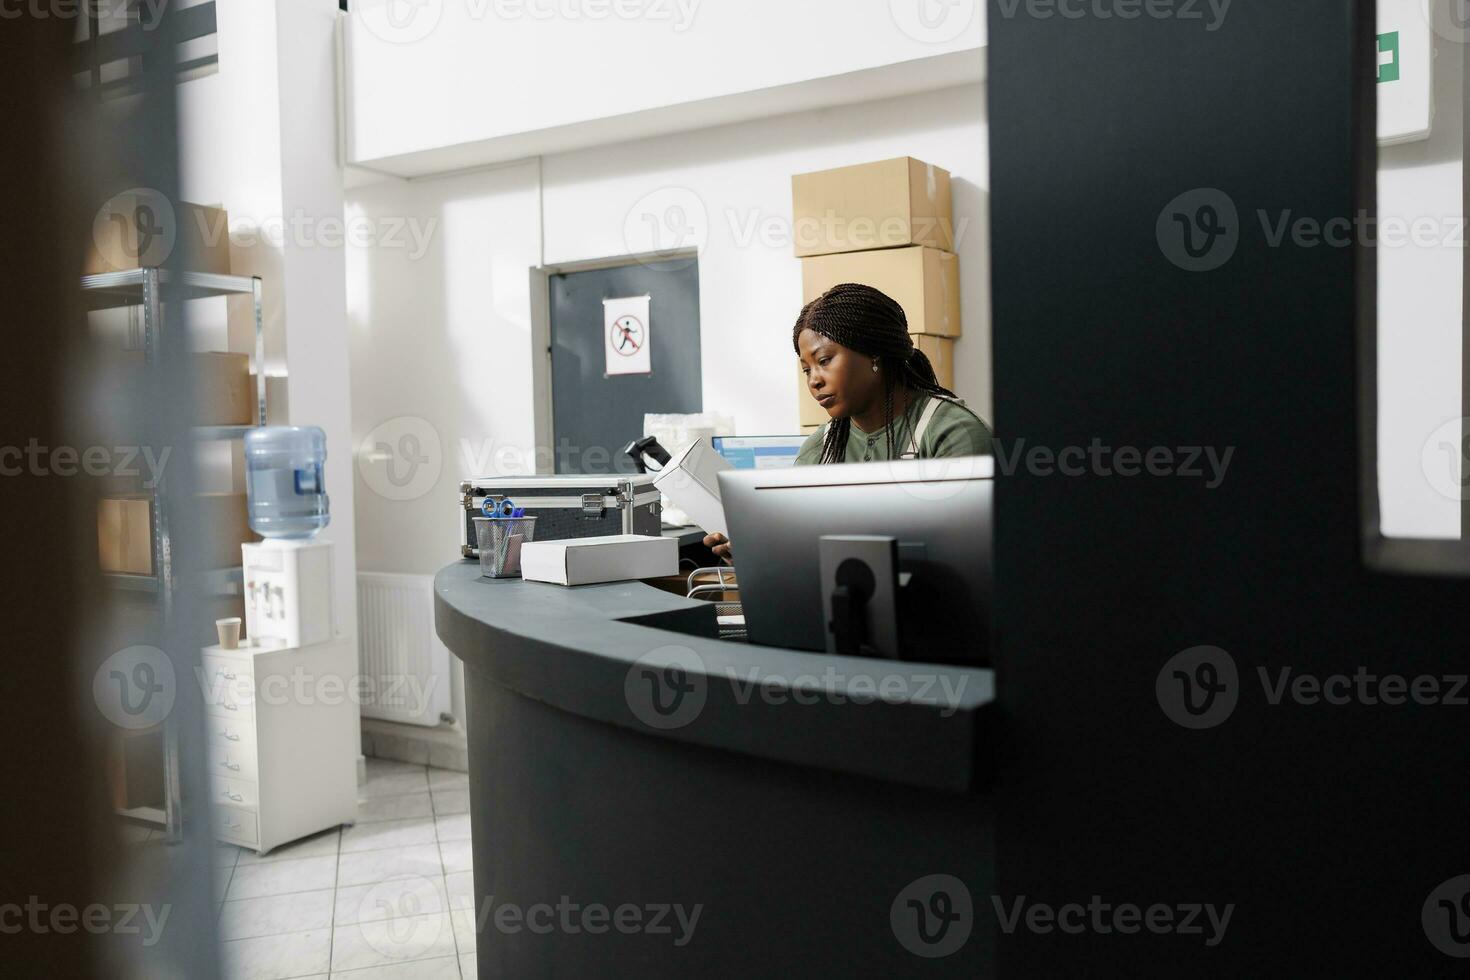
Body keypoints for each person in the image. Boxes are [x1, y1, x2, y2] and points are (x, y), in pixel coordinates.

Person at [703, 282, 993, 561]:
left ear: (874, 356)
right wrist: (758, 552)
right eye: (807, 370)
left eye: (824, 361)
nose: (814, 380)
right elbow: (801, 545)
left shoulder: (954, 434)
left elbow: (971, 556)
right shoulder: (821, 449)